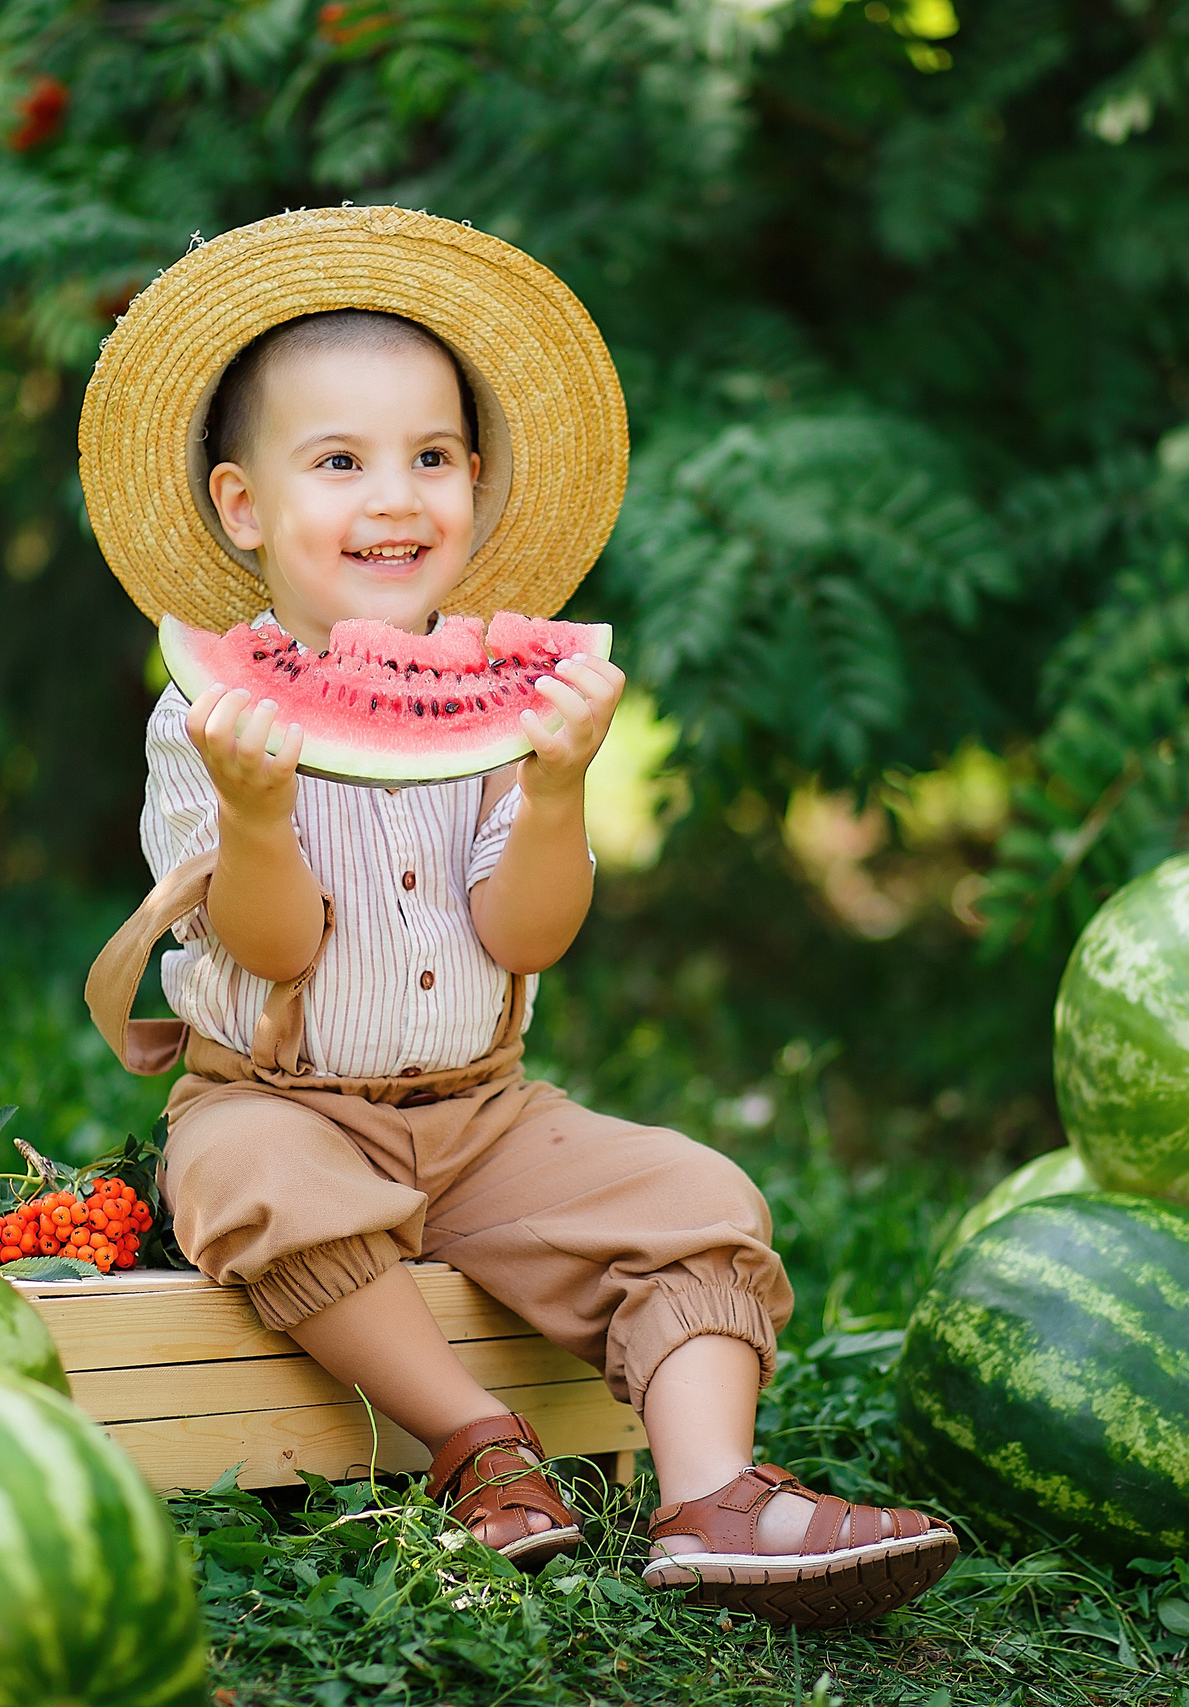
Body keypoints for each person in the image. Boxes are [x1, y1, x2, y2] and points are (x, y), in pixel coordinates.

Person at [79, 207, 956, 1626]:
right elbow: (277, 948)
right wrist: (256, 810)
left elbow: (526, 936)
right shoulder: (209, 718)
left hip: (484, 1118)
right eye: (341, 462)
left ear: (477, 487)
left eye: (433, 458)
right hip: (278, 1102)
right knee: (253, 1181)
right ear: (244, 507)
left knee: (697, 1198)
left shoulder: (503, 701)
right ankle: (475, 1440)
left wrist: (553, 789)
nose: (396, 497)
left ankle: (713, 1497)